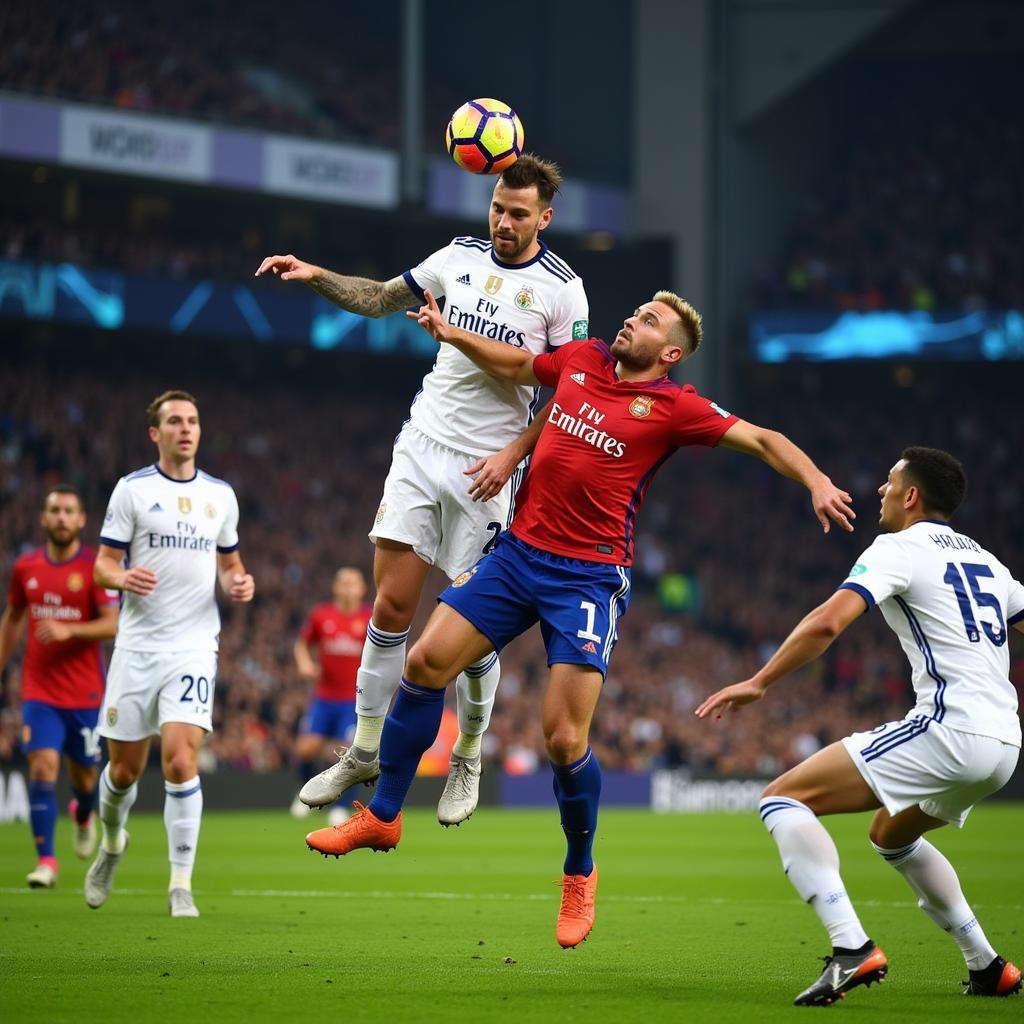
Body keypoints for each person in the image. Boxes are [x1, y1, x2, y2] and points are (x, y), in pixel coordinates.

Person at [305, 289, 855, 950]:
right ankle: (384, 814)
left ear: (671, 353)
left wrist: (817, 480)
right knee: (424, 662)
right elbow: (515, 364)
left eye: (650, 320)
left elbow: (762, 439)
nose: (632, 319)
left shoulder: (676, 407)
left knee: (563, 739)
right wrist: (451, 334)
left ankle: (578, 870)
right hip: (516, 556)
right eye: (636, 311)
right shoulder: (584, 359)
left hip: (587, 577)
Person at [255, 154, 589, 826]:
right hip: (422, 447)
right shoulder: (458, 256)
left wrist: (513, 454)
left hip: (489, 469)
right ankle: (365, 747)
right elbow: (380, 298)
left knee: (477, 633)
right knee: (390, 606)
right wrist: (317, 275)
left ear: (544, 219)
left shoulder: (563, 290)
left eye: (518, 213)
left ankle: (467, 752)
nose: (502, 220)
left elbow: (568, 390)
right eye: (498, 207)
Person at [696, 447, 1022, 1005]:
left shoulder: (899, 547)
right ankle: (987, 966)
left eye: (890, 482)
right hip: (1005, 743)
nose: (881, 491)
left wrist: (760, 681)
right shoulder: (989, 563)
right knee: (891, 834)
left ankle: (851, 948)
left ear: (911, 495)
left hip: (950, 729)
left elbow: (827, 623)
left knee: (781, 800)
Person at [85, 390, 255, 918]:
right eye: (175, 421)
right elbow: (102, 566)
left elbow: (230, 563)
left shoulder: (220, 496)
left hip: (193, 645)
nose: (186, 428)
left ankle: (180, 882)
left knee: (181, 761)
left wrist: (239, 582)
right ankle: (112, 844)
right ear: (155, 434)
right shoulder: (132, 491)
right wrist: (122, 576)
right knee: (123, 772)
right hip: (137, 645)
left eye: (193, 421)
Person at [0, 486, 119, 888]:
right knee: (43, 765)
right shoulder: (26, 567)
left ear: (81, 520)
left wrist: (70, 629)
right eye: (55, 510)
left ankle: (83, 813)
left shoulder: (94, 567)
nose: (63, 517)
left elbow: (113, 623)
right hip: (39, 691)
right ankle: (47, 861)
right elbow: (14, 616)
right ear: (44, 518)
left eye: (70, 510)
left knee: (85, 779)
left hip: (85, 693)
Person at [290, 566, 371, 824]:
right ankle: (307, 793)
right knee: (306, 748)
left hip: (354, 700)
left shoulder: (370, 618)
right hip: (324, 697)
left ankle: (342, 805)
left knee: (349, 753)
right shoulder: (321, 615)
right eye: (343, 583)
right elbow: (302, 643)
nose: (347, 588)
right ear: (335, 587)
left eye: (353, 583)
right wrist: (303, 663)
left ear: (362, 589)